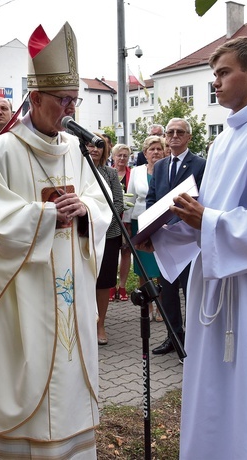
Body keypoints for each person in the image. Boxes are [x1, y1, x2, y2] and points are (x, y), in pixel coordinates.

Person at [0, 22, 111, 458]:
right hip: (23, 293)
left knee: (71, 370)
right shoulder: (1, 152)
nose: (69, 109)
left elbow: (100, 207)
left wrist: (87, 214)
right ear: (36, 98)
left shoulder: (75, 150)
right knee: (28, 375)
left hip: (72, 290)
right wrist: (45, 216)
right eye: (61, 101)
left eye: (74, 100)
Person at [150, 37, 247, 458]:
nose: (215, 83)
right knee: (210, 384)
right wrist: (159, 232)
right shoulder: (222, 141)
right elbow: (208, 212)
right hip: (212, 280)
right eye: (214, 75)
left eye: (222, 73)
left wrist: (209, 220)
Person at [145, 118, 206, 355]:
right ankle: (174, 337)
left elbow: (203, 198)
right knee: (167, 292)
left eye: (180, 132)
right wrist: (152, 225)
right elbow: (152, 198)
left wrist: (178, 225)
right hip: (164, 239)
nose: (174, 135)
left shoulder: (200, 164)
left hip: (189, 239)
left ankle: (195, 342)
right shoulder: (160, 166)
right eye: (170, 132)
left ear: (189, 137)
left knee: (191, 291)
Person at [87, 133, 123, 346]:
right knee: (85, 279)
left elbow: (117, 203)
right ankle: (84, 323)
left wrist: (101, 225)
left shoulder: (109, 174)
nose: (94, 150)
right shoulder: (76, 171)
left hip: (108, 235)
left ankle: (100, 324)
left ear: (104, 150)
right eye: (90, 145)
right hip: (84, 234)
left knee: (102, 282)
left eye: (98, 146)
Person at [129, 135, 167, 321]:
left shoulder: (168, 169)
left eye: (159, 149)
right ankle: (148, 306)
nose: (156, 152)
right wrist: (127, 225)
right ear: (145, 153)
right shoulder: (136, 172)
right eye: (152, 149)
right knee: (143, 268)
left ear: (164, 151)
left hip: (162, 223)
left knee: (160, 267)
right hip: (140, 222)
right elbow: (130, 199)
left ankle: (160, 307)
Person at [112, 143, 132, 302]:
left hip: (126, 219)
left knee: (126, 252)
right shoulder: (108, 173)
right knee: (111, 253)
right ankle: (111, 286)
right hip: (111, 220)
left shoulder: (132, 174)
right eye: (119, 155)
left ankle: (123, 285)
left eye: (125, 155)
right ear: (113, 156)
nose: (122, 158)